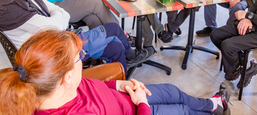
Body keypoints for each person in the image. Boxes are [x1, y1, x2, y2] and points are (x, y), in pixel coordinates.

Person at [0, 29, 232, 115]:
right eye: (79, 57)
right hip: (136, 108)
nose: (83, 59)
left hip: (124, 97)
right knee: (180, 110)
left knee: (173, 91)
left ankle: (214, 105)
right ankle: (213, 109)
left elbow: (92, 87)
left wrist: (118, 85)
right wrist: (141, 103)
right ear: (67, 76)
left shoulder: (57, 87)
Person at [0, 0, 151, 76]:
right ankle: (130, 54)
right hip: (55, 54)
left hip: (62, 36)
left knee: (113, 44)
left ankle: (115, 84)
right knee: (110, 24)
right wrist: (61, 10)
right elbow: (54, 16)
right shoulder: (8, 6)